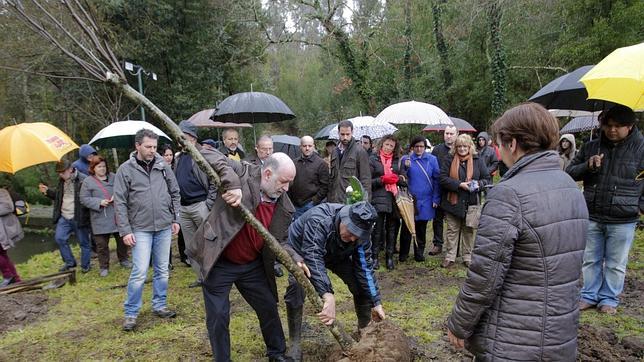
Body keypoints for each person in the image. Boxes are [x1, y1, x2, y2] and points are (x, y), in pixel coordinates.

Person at [447, 102, 588, 361]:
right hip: (560, 332)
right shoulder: (570, 186)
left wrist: (459, 323)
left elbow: (485, 275)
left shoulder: (508, 195)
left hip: (515, 338)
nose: (498, 151)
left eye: (500, 144)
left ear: (512, 144)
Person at [188, 152, 297, 362]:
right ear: (267, 174)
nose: (286, 188)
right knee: (218, 316)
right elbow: (205, 152)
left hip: (251, 265)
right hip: (219, 260)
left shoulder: (284, 204)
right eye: (283, 181)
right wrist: (232, 184)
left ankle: (277, 353)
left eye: (290, 183)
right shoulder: (243, 172)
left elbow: (281, 241)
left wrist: (295, 258)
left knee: (267, 306)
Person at [566, 104, 643, 315]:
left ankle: (609, 298)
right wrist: (588, 166)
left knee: (616, 263)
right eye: (608, 125)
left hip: (624, 217)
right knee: (590, 258)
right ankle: (589, 294)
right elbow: (570, 172)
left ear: (630, 126)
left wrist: (639, 206)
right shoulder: (592, 147)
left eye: (618, 126)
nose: (612, 130)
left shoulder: (641, 149)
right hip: (593, 212)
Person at [284, 201, 385, 361]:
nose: (352, 238)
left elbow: (364, 268)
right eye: (350, 231)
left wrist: (376, 301)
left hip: (336, 254)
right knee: (297, 285)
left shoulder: (360, 237)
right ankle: (295, 342)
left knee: (360, 285)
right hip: (302, 251)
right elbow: (313, 255)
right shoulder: (319, 219)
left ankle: (364, 332)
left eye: (357, 236)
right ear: (344, 219)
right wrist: (327, 294)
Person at [113, 129, 181, 332]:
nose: (152, 151)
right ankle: (131, 313)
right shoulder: (125, 170)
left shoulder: (162, 166)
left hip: (164, 225)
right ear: (137, 146)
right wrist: (125, 231)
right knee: (140, 272)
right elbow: (120, 202)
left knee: (162, 269)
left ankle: (159, 305)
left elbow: (175, 192)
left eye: (154, 147)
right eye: (148, 147)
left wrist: (175, 218)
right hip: (140, 228)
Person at [174, 120, 218, 286]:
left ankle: (214, 276)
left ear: (192, 138)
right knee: (191, 245)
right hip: (184, 208)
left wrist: (209, 203)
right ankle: (201, 277)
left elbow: (215, 180)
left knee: (209, 242)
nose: (179, 140)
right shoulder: (180, 157)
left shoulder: (203, 154)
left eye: (182, 136)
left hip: (200, 206)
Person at [439, 134, 490, 268]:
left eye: (464, 146)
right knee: (452, 230)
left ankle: (467, 256)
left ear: (470, 147)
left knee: (468, 230)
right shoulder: (449, 159)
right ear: (455, 147)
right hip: (453, 201)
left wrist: (479, 184)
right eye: (459, 146)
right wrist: (459, 184)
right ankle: (450, 256)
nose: (462, 149)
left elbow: (487, 178)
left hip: (471, 201)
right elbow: (443, 178)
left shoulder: (478, 159)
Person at [80, 156, 130, 277]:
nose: (102, 169)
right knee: (101, 245)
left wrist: (116, 196)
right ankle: (104, 266)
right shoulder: (88, 181)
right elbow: (83, 199)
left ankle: (123, 259)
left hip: (117, 214)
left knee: (122, 240)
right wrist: (98, 202)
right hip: (100, 217)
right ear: (93, 168)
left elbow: (125, 189)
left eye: (104, 166)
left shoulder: (114, 177)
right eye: (99, 167)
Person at [39, 159, 91, 272]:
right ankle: (70, 262)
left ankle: (85, 266)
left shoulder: (83, 180)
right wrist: (47, 192)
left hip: (79, 216)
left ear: (71, 169)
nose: (61, 175)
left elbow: (88, 200)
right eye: (59, 173)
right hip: (64, 216)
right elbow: (58, 197)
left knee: (84, 242)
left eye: (63, 172)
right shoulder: (61, 181)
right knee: (60, 238)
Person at [399, 136, 440, 262]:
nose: (419, 149)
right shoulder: (407, 159)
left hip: (426, 199)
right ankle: (403, 253)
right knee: (407, 227)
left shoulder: (432, 160)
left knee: (421, 228)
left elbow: (437, 180)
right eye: (416, 146)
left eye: (421, 146)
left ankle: (419, 253)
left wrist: (436, 198)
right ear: (412, 147)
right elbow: (401, 178)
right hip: (411, 198)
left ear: (425, 147)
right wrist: (405, 168)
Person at [368, 134, 404, 270]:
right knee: (377, 230)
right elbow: (368, 181)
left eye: (392, 146)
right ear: (382, 144)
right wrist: (382, 179)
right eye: (387, 144)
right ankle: (375, 257)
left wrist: (398, 179)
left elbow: (403, 179)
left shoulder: (398, 160)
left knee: (392, 229)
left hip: (394, 198)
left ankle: (390, 257)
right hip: (378, 198)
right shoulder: (373, 159)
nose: (388, 148)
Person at [430, 125, 458, 256]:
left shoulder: (460, 148)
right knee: (437, 218)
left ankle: (454, 247)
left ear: (456, 134)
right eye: (447, 133)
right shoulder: (437, 149)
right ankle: (438, 244)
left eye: (451, 133)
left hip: (454, 189)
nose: (449, 136)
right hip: (439, 188)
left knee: (455, 220)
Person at [159, 143, 188, 268]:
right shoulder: (159, 169)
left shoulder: (177, 166)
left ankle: (184, 255)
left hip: (178, 202)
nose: (169, 157)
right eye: (166, 155)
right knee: (166, 233)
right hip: (165, 203)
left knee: (181, 231)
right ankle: (167, 261)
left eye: (170, 154)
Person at [328, 120, 371, 203]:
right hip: (334, 201)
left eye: (348, 134)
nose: (345, 137)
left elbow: (366, 180)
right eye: (342, 134)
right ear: (338, 133)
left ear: (352, 132)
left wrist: (365, 203)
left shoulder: (360, 151)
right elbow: (332, 179)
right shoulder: (334, 152)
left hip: (352, 201)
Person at [289, 135, 329, 220]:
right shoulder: (294, 163)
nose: (307, 148)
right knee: (296, 231)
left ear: (313, 147)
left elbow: (325, 186)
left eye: (310, 146)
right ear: (300, 147)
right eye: (304, 146)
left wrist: (315, 201)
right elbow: (289, 182)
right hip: (295, 205)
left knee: (309, 230)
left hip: (311, 205)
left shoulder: (321, 164)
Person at [0, 187, 24, 287]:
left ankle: (8, 276)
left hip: (4, 229)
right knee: (3, 254)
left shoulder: (2, 192)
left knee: (1, 253)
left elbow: (9, 207)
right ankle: (15, 278)